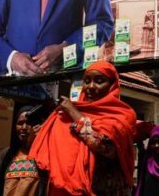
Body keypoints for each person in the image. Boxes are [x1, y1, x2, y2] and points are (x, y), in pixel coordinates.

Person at [29, 61, 137, 195]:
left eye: (99, 81)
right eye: (86, 81)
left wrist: (74, 113)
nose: (90, 86)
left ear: (112, 85)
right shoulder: (66, 114)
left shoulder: (122, 115)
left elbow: (103, 145)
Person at [0, 105, 47, 196]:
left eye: (29, 123)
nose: (24, 127)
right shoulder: (6, 154)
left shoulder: (44, 155)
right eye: (20, 123)